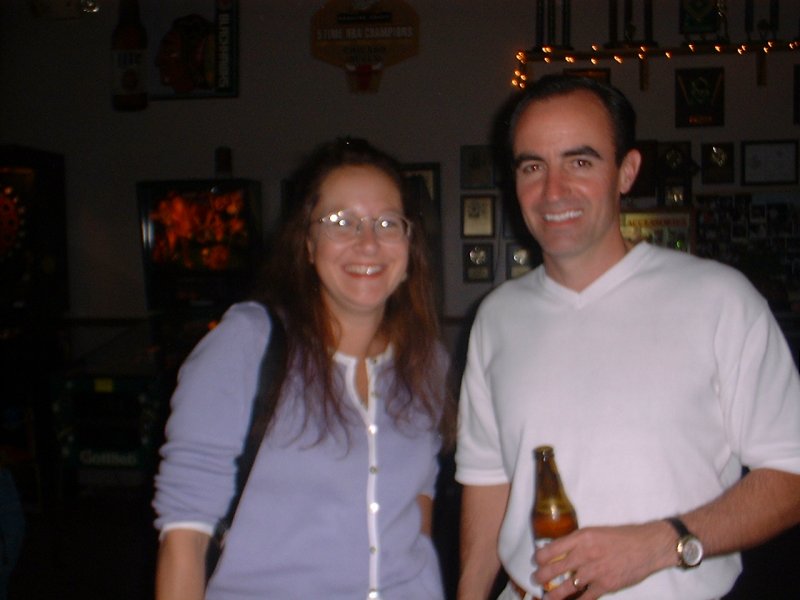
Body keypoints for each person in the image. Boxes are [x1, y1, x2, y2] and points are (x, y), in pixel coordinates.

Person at [455, 74, 800, 600]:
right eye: (532, 166)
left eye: (580, 162)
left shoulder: (718, 299)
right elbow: (487, 480)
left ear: (626, 171)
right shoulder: (496, 316)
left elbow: (792, 473)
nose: (553, 191)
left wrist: (662, 544)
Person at [153, 138, 452, 600]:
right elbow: (185, 538)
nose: (368, 242)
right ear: (308, 245)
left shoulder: (426, 360)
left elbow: (419, 499)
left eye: (387, 223)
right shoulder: (246, 344)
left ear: (410, 247)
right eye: (341, 222)